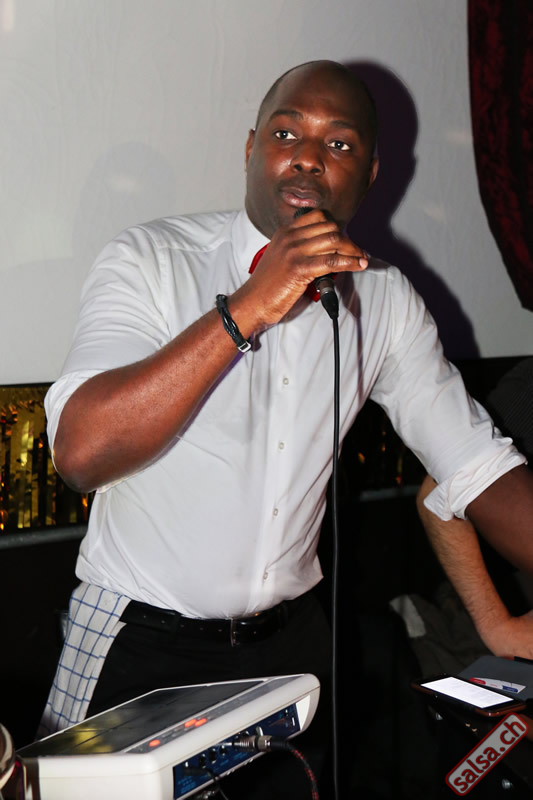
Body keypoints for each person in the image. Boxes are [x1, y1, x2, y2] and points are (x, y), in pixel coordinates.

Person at [40, 60, 533, 789]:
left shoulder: (384, 299)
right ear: (251, 149)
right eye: (285, 133)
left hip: (289, 652)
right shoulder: (151, 258)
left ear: (369, 174)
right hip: (137, 641)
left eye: (339, 144)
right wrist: (250, 306)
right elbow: (81, 453)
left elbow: (474, 465)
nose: (307, 156)